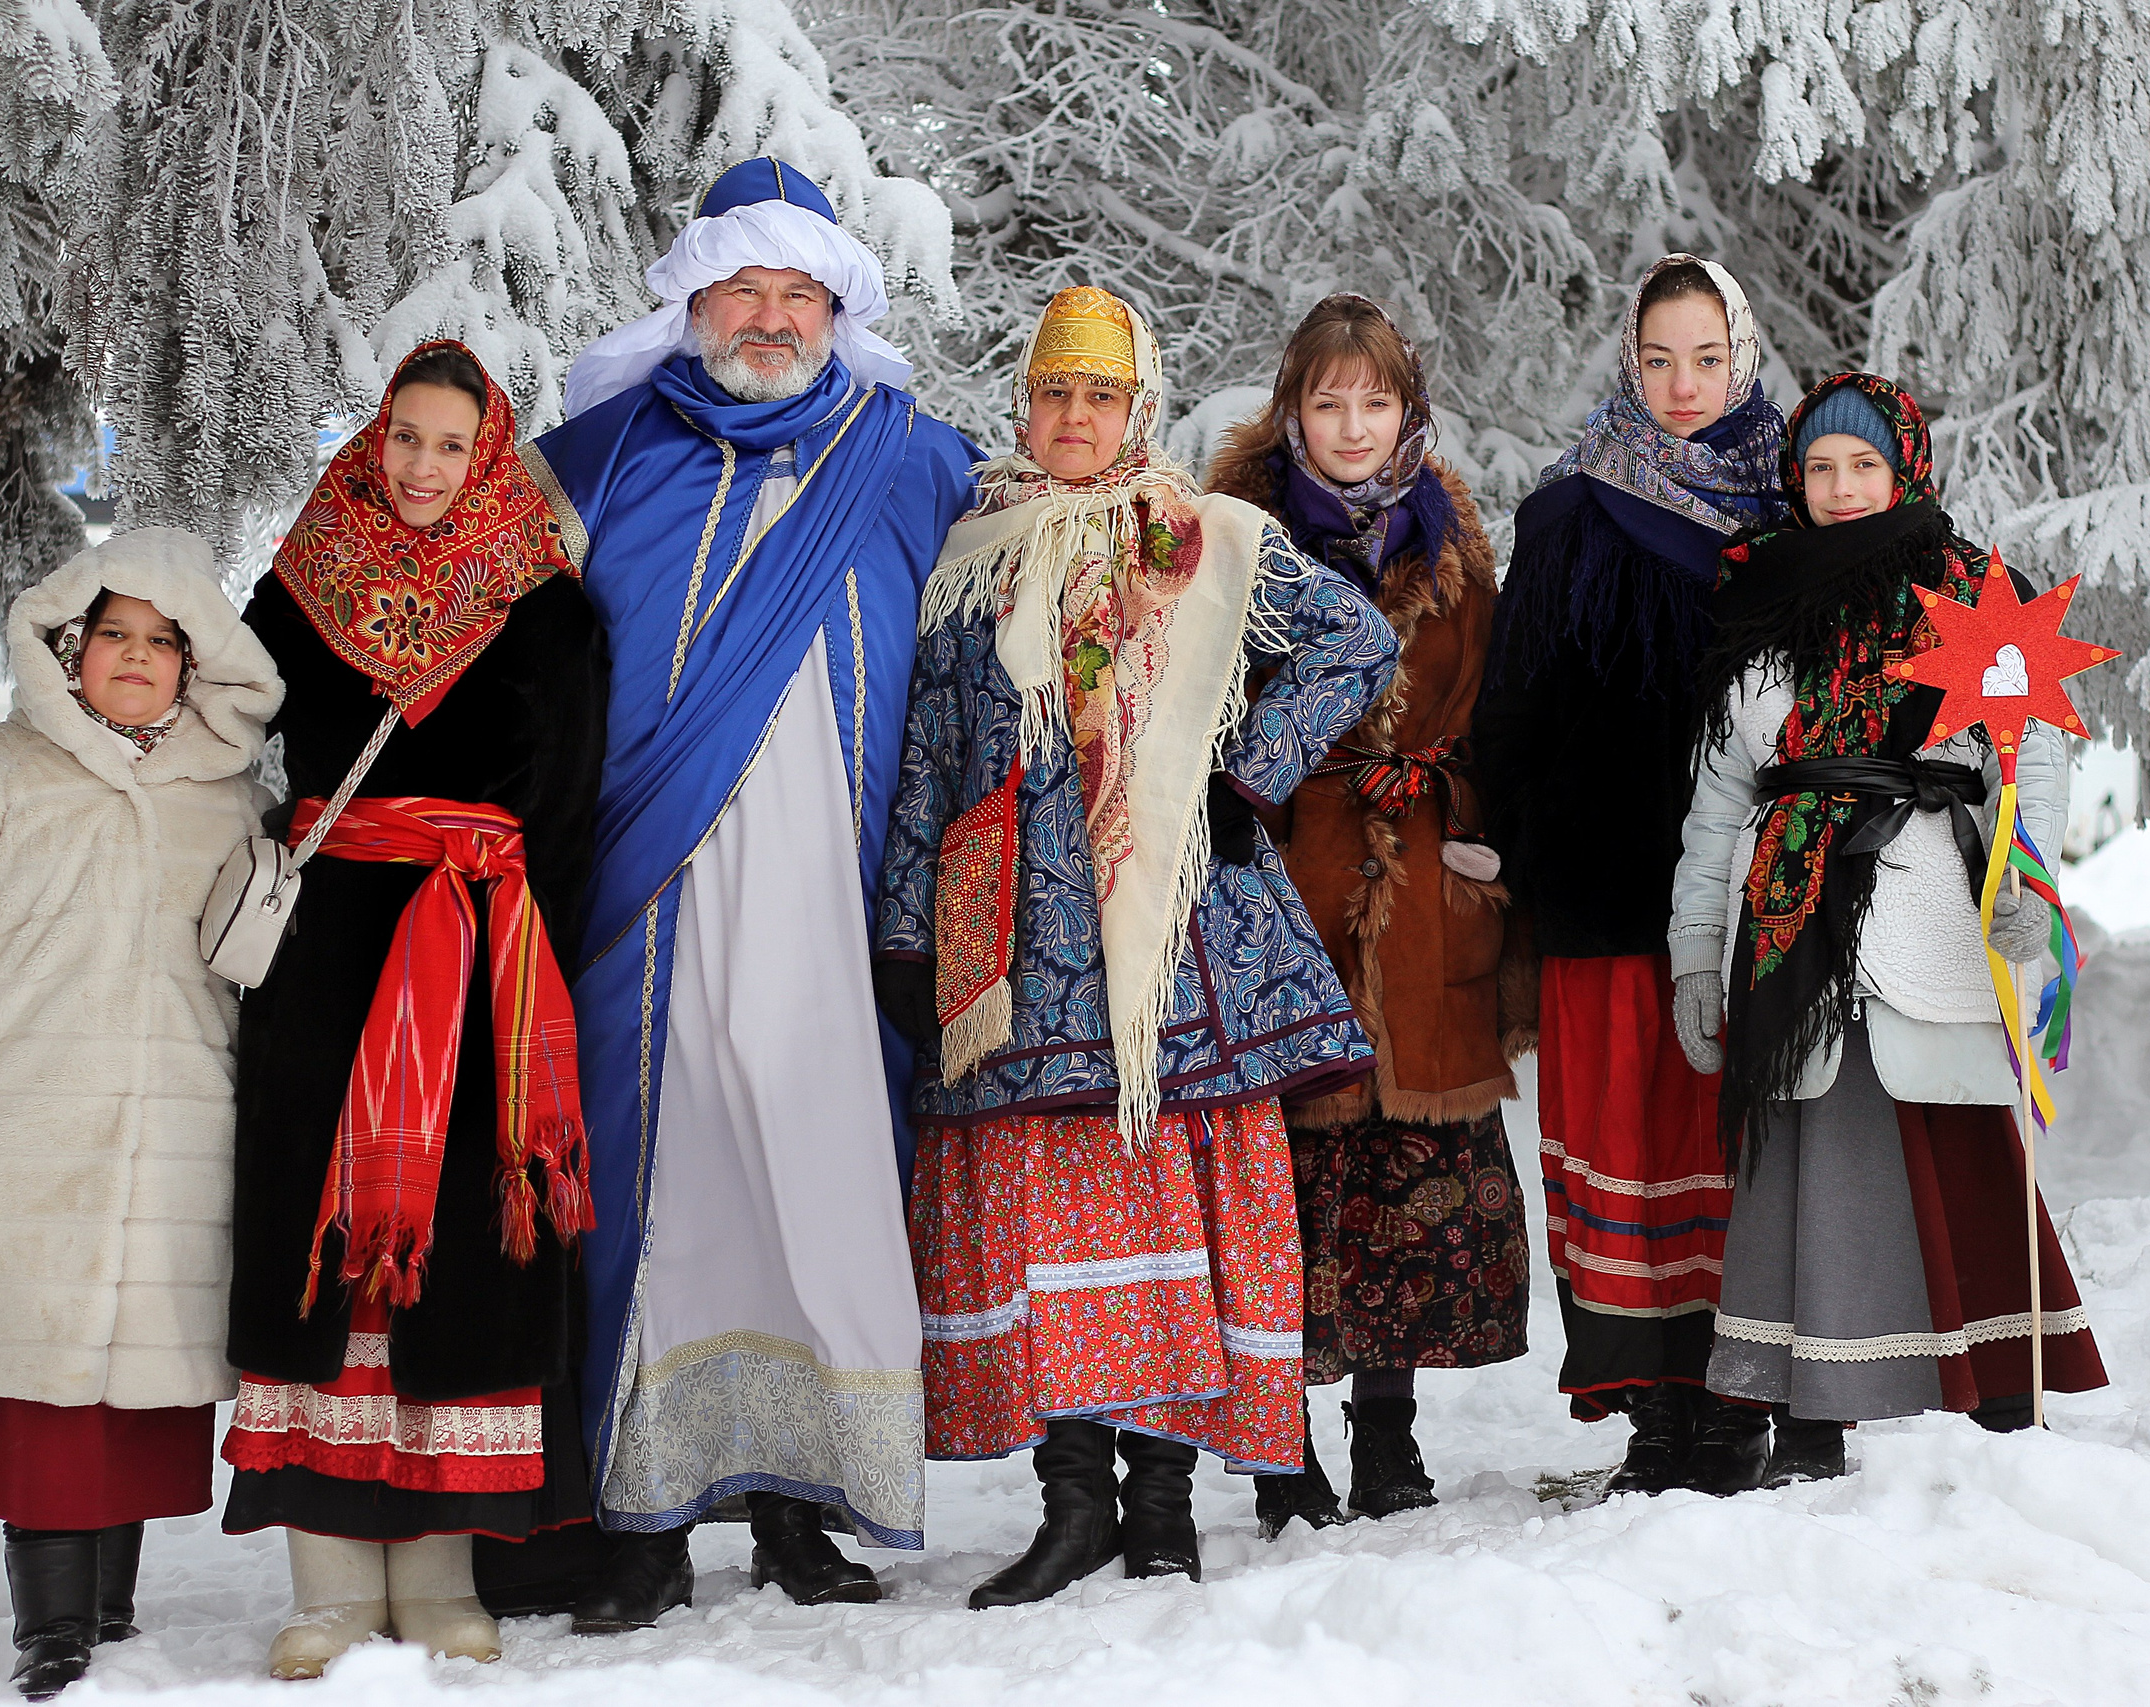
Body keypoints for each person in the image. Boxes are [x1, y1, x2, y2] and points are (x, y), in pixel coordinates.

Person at [876, 284, 1398, 1606]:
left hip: (1173, 931)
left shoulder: (1205, 537)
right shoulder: (969, 560)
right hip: (1011, 938)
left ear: (1138, 410)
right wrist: (901, 929)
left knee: (1169, 1199)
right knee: (1050, 1222)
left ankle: (1161, 1501)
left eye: (1099, 396)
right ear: (1024, 403)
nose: (1072, 416)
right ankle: (1073, 1503)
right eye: (1053, 392)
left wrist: (1254, 766)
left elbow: (1356, 636)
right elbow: (930, 759)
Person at [515, 157, 982, 1630]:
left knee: (822, 1182)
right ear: (692, 296)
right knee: (656, 1196)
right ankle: (640, 1518)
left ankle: (802, 1501)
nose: (772, 318)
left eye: (802, 295)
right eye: (746, 290)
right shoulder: (593, 459)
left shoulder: (915, 459)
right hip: (644, 905)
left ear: (838, 310)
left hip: (842, 911)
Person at [220, 340, 605, 1679]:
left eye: (452, 444)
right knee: (320, 1238)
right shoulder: (297, 583)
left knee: (452, 1244)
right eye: (405, 438)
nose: (425, 468)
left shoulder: (543, 603)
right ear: (373, 440)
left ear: (489, 452)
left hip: (480, 954)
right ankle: (325, 1583)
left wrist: (517, 945)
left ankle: (440, 1575)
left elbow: (565, 806)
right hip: (327, 956)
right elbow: (228, 744)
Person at [0, 528, 283, 1698]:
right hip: (22, 1125)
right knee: (37, 1387)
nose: (135, 659)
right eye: (114, 637)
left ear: (194, 666)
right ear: (68, 649)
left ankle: (112, 1606)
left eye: (161, 642)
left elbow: (253, 971)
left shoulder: (231, 799)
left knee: (140, 1389)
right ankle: (51, 1631)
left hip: (178, 1126)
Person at [1670, 372, 2109, 1478]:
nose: (1841, 486)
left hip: (1927, 903)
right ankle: (1807, 1411)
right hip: (1783, 922)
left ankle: (2001, 1387)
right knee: (1800, 1152)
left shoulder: (1971, 597)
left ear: (1904, 467)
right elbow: (1719, 807)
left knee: (1951, 1137)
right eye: (1819, 467)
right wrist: (1691, 957)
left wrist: (2028, 883)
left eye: (1863, 464)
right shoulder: (1754, 603)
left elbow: (2028, 761)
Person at [1204, 294, 1534, 1536]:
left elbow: (1491, 712)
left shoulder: (1453, 548)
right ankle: (1279, 1452)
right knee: (1281, 1181)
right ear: (1291, 408)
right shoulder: (1230, 538)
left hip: (1422, 898)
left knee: (1404, 1183)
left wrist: (1453, 799)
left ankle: (1387, 1440)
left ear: (1409, 411)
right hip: (1282, 886)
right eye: (1327, 402)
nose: (1351, 426)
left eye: (1374, 401)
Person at [1471, 255, 1789, 1496]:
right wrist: (1526, 849)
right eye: (1658, 359)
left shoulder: (1788, 515)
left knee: (1732, 1142)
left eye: (1706, 357)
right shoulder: (1569, 514)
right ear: (1626, 359)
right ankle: (1656, 1413)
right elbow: (1516, 707)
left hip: (1746, 898)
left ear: (1742, 353)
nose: (1682, 384)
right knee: (1628, 1145)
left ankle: (1742, 1402)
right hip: (1605, 890)